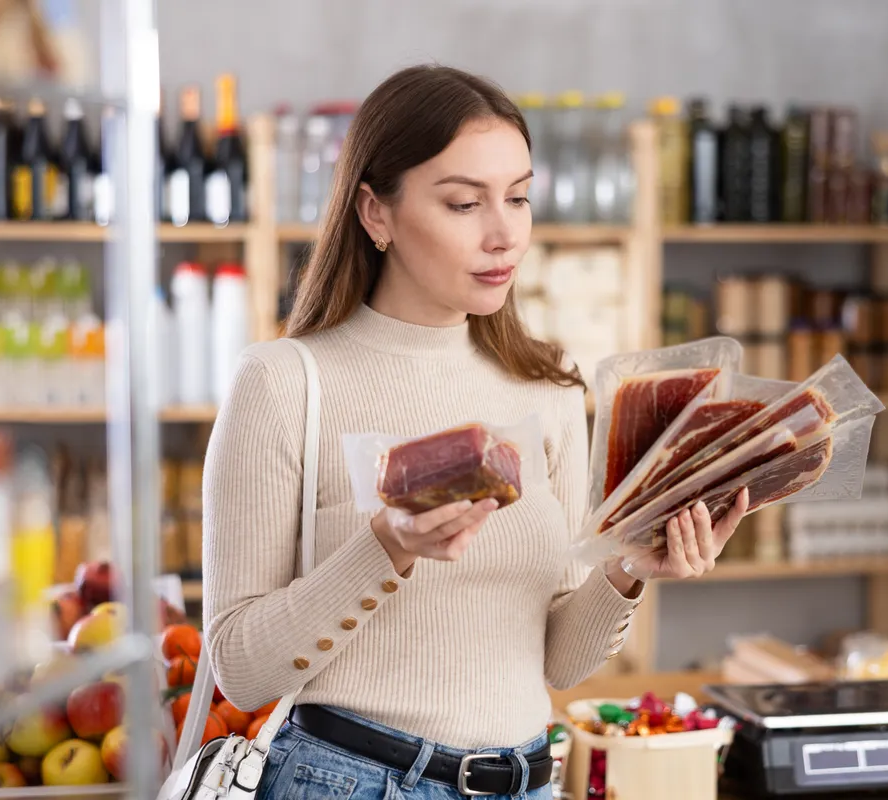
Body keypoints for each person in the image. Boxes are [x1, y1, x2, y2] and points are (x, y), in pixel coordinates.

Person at [201, 64, 748, 800]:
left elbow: (556, 661)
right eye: (464, 203)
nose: (504, 235)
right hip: (350, 781)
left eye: (519, 198)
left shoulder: (546, 388)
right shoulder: (284, 383)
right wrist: (386, 547)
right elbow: (238, 664)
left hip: (526, 781)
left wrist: (628, 567)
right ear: (376, 213)